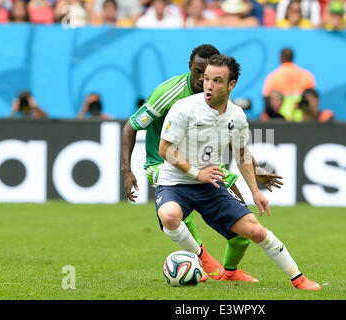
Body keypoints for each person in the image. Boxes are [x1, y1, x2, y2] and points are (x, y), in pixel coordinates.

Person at [156, 54, 321, 290]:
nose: (209, 86)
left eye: (217, 81)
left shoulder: (237, 116)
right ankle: (203, 258)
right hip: (175, 184)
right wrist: (196, 173)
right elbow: (165, 148)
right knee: (170, 216)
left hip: (210, 186)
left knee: (255, 230)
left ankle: (299, 279)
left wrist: (255, 190)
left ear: (231, 85)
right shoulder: (184, 108)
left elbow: (242, 154)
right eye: (206, 79)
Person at [121, 44, 283, 283]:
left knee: (241, 218)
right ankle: (204, 260)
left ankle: (230, 271)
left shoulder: (216, 98)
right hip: (162, 163)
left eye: (206, 75)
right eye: (198, 73)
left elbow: (230, 139)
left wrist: (255, 171)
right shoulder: (169, 93)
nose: (201, 80)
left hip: (206, 168)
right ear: (190, 67)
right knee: (176, 208)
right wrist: (126, 170)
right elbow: (131, 126)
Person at [262, 47, 316, 121]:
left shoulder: (272, 77)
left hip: (281, 119)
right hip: (302, 119)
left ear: (281, 58)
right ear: (292, 57)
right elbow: (312, 101)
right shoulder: (307, 76)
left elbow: (267, 102)